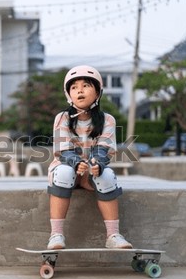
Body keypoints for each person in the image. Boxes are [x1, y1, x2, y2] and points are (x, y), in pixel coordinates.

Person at [46, 65, 133, 250]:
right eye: (74, 87)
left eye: (86, 85)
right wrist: (77, 163)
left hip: (89, 174)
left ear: (98, 92)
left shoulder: (107, 120)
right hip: (67, 168)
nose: (80, 90)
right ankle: (56, 235)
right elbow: (63, 150)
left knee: (107, 176)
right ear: (69, 94)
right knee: (63, 172)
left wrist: (97, 164)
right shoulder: (62, 118)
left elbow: (104, 149)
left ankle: (113, 235)